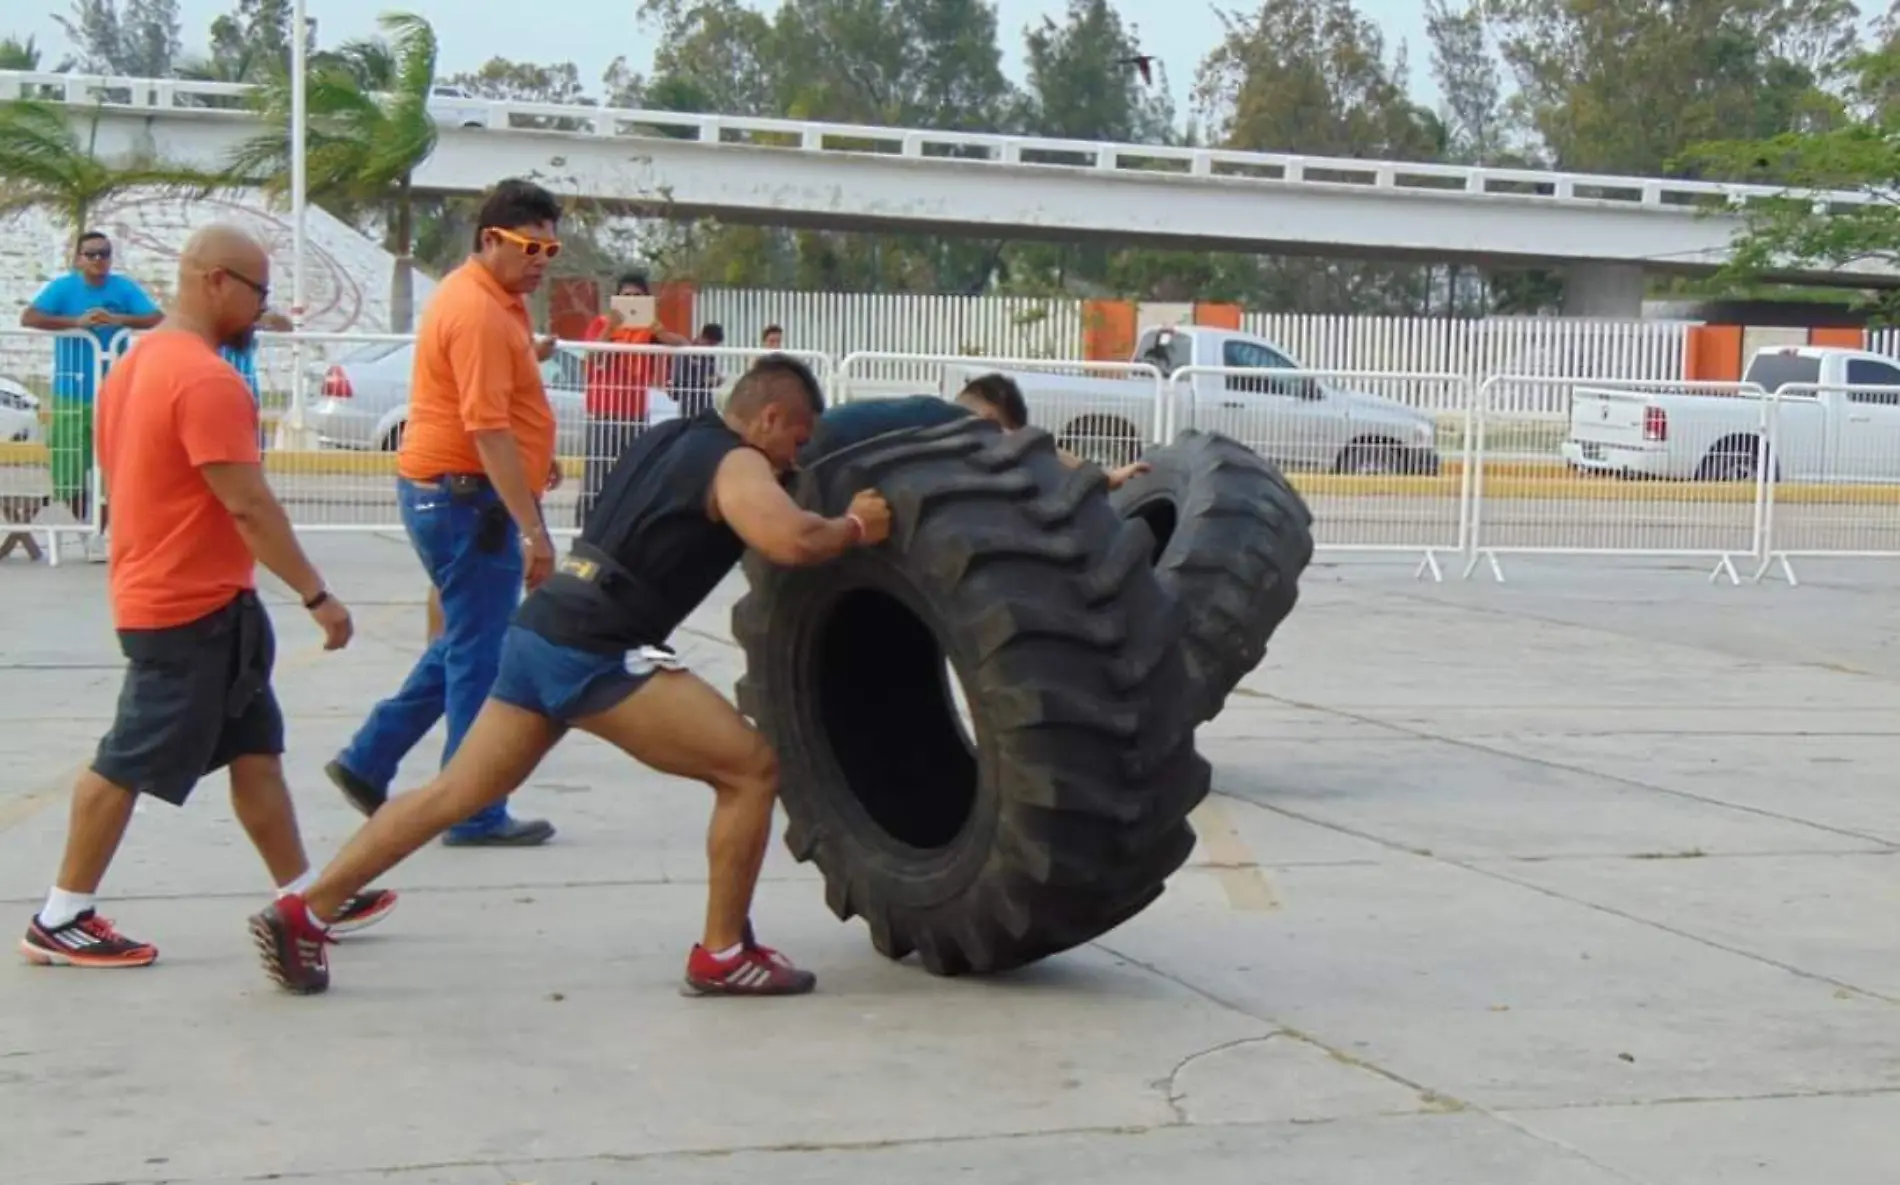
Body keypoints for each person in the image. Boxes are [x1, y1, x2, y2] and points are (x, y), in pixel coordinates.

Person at [249, 356, 892, 998]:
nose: (795, 462)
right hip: (597, 647)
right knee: (748, 769)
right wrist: (856, 525)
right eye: (797, 442)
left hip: (543, 628)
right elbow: (793, 541)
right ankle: (722, 953)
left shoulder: (668, 437)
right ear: (770, 417)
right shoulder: (739, 460)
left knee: (454, 794)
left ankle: (305, 911)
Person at [18, 225, 396, 970]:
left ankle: (308, 895)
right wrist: (319, 596)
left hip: (200, 597)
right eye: (257, 293)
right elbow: (248, 504)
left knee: (255, 751)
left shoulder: (134, 362)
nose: (262, 310)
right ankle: (61, 914)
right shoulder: (206, 379)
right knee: (126, 758)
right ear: (217, 282)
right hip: (184, 604)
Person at [322, 179, 566, 847]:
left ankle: (369, 757)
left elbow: (503, 409)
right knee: (479, 657)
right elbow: (486, 429)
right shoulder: (480, 312)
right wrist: (531, 528)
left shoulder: (495, 299)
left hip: (459, 493)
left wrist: (535, 452)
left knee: (464, 641)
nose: (543, 260)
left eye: (552, 247)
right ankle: (473, 806)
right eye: (531, 246)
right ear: (491, 239)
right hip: (465, 498)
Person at [19, 231, 163, 539]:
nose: (99, 260)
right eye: (92, 254)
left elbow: (154, 317)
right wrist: (76, 323)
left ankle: (100, 532)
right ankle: (89, 525)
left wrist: (116, 319)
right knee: (67, 466)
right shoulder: (63, 287)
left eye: (105, 253)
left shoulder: (123, 287)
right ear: (79, 259)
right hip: (71, 391)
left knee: (119, 466)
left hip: (116, 391)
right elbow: (29, 317)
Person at [576, 271, 689, 528]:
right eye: (627, 296)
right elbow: (590, 358)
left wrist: (659, 332)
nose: (632, 301)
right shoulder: (602, 324)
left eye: (638, 296)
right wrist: (610, 328)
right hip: (603, 412)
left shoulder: (649, 330)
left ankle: (621, 531)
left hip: (634, 413)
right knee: (596, 478)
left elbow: (684, 345)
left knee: (634, 476)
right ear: (617, 299)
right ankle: (584, 529)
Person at [668, 322, 725, 418]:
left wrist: (716, 380)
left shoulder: (709, 355)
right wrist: (704, 380)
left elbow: (713, 375)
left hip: (705, 401)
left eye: (714, 345)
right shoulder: (686, 352)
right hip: (688, 401)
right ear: (702, 337)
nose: (711, 348)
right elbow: (679, 380)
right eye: (710, 344)